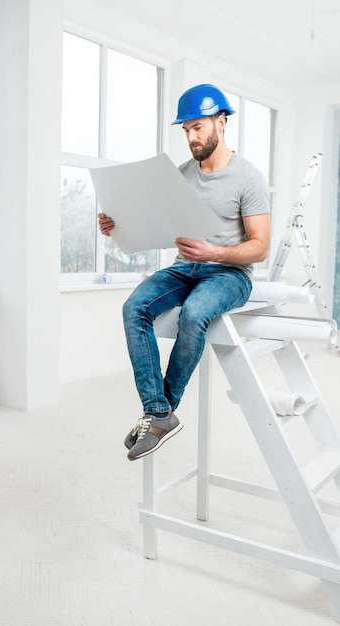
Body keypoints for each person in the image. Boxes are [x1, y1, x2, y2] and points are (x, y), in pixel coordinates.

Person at [98, 83, 270, 461]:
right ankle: (159, 413)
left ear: (221, 122)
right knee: (134, 308)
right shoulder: (180, 174)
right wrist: (118, 226)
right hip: (183, 269)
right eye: (186, 130)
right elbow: (159, 227)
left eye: (198, 128)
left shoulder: (249, 178)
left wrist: (217, 251)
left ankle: (159, 414)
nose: (191, 137)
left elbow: (260, 246)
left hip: (230, 274)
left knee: (194, 314)